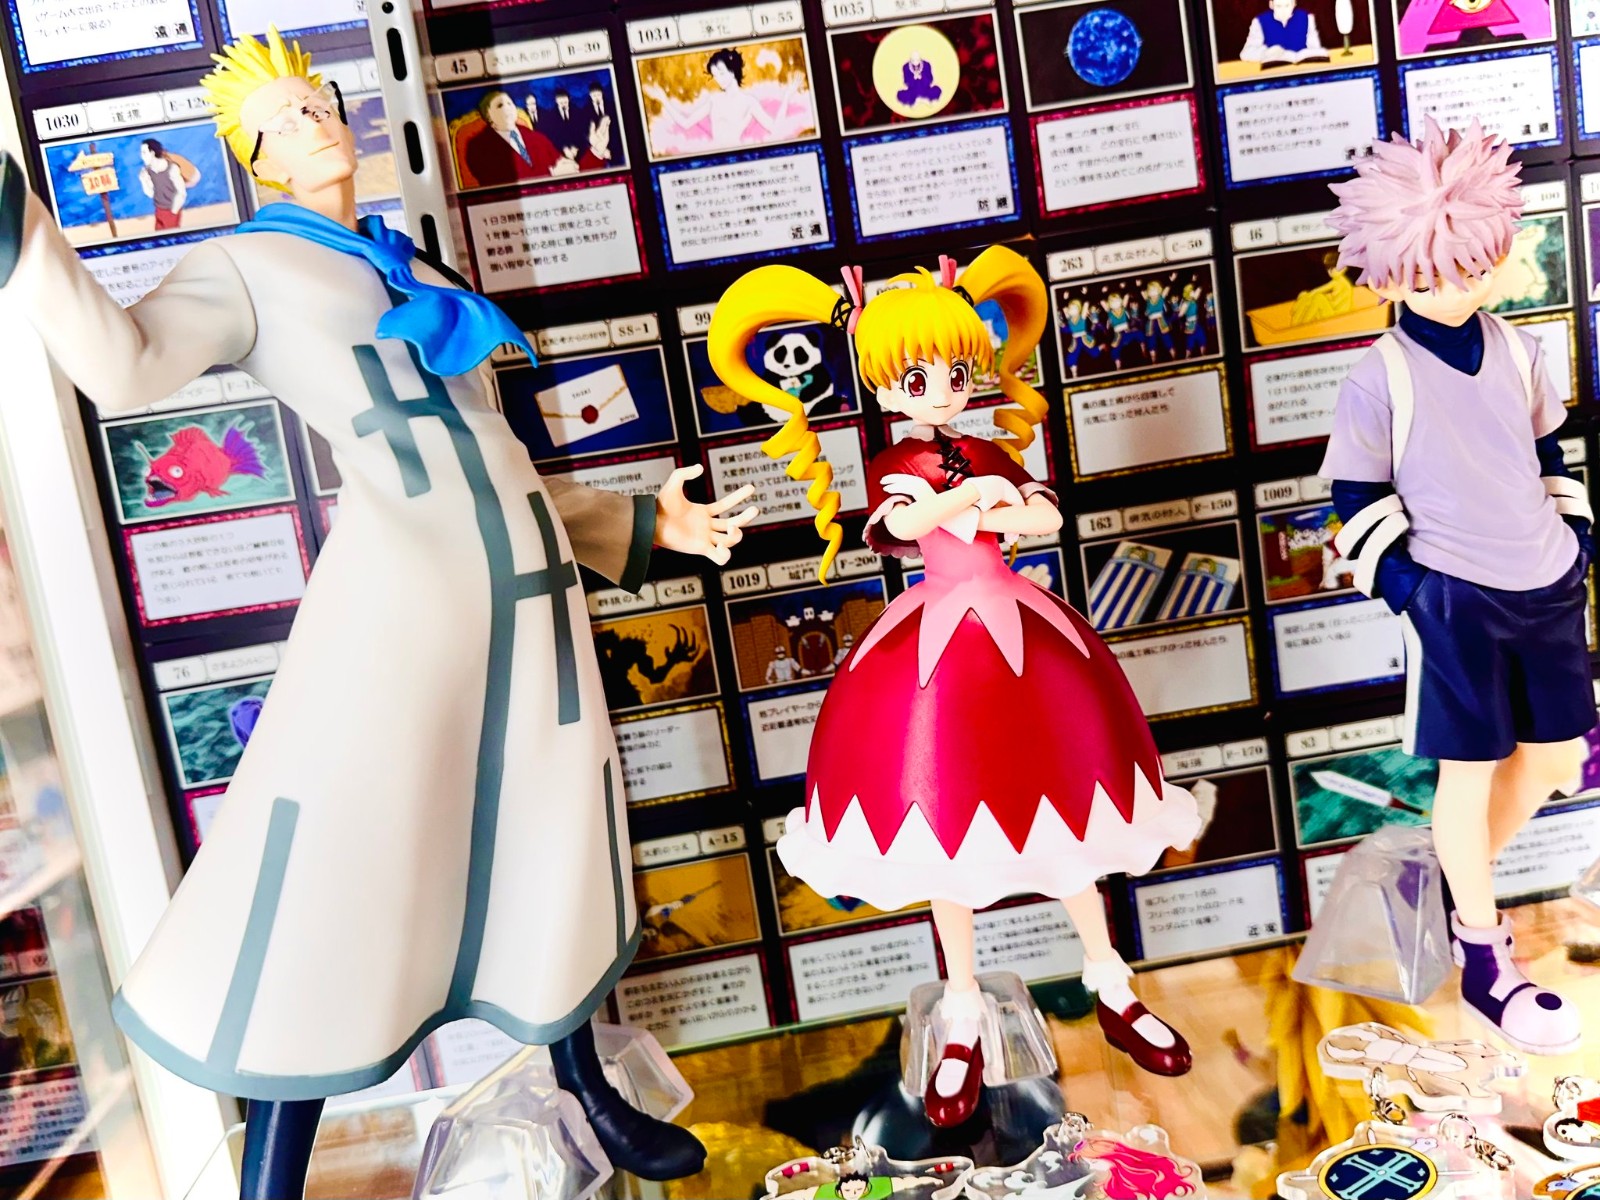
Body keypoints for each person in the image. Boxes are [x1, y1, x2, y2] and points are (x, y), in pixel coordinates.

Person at [0, 28, 759, 1197]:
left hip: (527, 602)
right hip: (398, 618)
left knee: (554, 832)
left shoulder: (413, 269)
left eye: (320, 101)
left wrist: (642, 523)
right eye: (285, 118)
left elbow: (491, 460)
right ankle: (274, 1174)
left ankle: (585, 1084)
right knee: (335, 862)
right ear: (251, 155)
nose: (316, 123)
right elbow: (127, 364)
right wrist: (19, 229)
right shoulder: (249, 266)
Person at [708, 249, 1200, 1130]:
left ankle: (1111, 981)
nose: (942, 391)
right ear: (882, 382)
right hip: (935, 642)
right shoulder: (897, 456)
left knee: (1073, 813)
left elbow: (1044, 511)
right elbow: (900, 521)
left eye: (957, 373)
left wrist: (987, 497)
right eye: (918, 378)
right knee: (940, 823)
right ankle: (962, 1009)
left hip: (1023, 628)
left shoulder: (983, 448)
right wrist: (972, 501)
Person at [1321, 118, 1595, 1055]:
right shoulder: (1380, 375)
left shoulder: (1518, 350)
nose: (1455, 287)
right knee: (1467, 774)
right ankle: (1484, 961)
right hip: (1456, 598)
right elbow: (1353, 498)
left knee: (1555, 763)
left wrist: (1576, 544)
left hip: (1546, 584)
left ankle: (1444, 889)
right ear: (1388, 273)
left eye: (1473, 266)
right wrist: (1414, 592)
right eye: (1433, 273)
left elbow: (1549, 452)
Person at [642, 47, 800, 153]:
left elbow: (775, 128)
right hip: (713, 155)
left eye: (721, 73)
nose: (719, 79)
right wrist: (663, 99)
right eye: (715, 75)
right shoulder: (714, 100)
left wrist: (787, 96)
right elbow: (686, 123)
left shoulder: (748, 102)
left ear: (733, 71)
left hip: (739, 155)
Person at [462, 88, 560, 187]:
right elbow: (494, 181)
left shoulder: (535, 136)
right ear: (488, 115)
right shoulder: (478, 146)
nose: (507, 108)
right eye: (500, 106)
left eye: (509, 103)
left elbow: (557, 160)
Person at [1239, 0, 1329, 64]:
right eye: (1279, 6)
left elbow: (1314, 48)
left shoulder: (1307, 18)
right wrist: (1266, 52)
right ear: (1271, 5)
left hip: (1302, 70)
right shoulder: (1259, 21)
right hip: (1273, 73)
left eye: (1287, 6)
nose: (1283, 11)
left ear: (1294, 4)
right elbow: (1245, 54)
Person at [139, 138, 187, 230]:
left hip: (171, 210)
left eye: (144, 152)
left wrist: (174, 211)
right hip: (159, 209)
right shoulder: (148, 171)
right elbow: (151, 194)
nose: (142, 156)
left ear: (152, 153)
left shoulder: (172, 168)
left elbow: (181, 192)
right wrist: (144, 181)